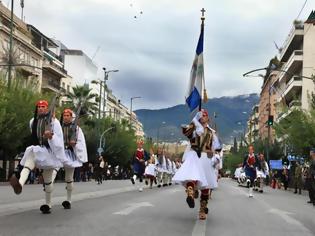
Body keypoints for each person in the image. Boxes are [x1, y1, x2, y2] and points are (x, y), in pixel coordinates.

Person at [9, 100, 66, 214]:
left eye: (43, 106)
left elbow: (60, 141)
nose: (40, 108)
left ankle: (48, 204)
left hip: (50, 153)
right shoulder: (32, 121)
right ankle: (20, 184)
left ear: (47, 109)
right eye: (39, 106)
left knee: (48, 181)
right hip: (39, 150)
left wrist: (51, 137)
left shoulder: (54, 122)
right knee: (31, 155)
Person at [173, 109, 220, 220]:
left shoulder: (212, 132)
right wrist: (194, 121)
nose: (202, 117)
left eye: (204, 115)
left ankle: (202, 210)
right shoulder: (194, 128)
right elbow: (186, 132)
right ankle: (190, 194)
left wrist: (214, 156)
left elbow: (217, 148)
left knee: (205, 187)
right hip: (194, 156)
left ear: (208, 118)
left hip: (206, 159)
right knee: (192, 177)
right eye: (200, 115)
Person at [60, 108, 88, 209]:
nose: (66, 117)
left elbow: (81, 142)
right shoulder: (58, 127)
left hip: (70, 153)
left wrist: (75, 144)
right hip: (59, 152)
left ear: (71, 117)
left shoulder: (77, 129)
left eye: (68, 115)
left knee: (69, 178)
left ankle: (68, 199)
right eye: (64, 115)